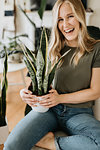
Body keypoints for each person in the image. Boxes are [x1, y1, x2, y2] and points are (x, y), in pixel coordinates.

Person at [4, 0, 100, 150]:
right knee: (11, 145)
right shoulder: (52, 46)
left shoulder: (96, 48)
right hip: (49, 110)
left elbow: (95, 91)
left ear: (80, 15)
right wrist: (25, 93)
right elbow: (35, 82)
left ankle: (49, 142)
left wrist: (60, 98)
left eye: (70, 16)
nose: (65, 25)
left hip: (79, 113)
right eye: (60, 19)